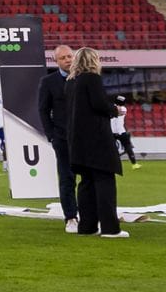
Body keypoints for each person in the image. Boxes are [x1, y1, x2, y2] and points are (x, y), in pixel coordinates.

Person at [64, 47, 126, 237]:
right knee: (105, 181)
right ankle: (110, 228)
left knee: (86, 183)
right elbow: (99, 104)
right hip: (97, 138)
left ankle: (87, 226)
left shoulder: (70, 82)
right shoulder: (91, 78)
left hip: (77, 140)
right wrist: (116, 110)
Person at [39, 47, 80, 231]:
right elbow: (43, 109)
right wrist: (52, 135)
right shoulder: (49, 82)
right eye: (63, 58)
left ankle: (90, 214)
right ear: (56, 61)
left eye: (70, 56)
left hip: (84, 137)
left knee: (89, 178)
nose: (67, 60)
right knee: (67, 178)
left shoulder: (84, 78)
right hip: (62, 138)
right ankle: (71, 217)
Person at [111, 97, 139, 166]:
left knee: (111, 148)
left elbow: (115, 114)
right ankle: (134, 164)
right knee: (128, 146)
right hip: (120, 131)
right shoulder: (123, 108)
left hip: (112, 132)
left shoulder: (112, 108)